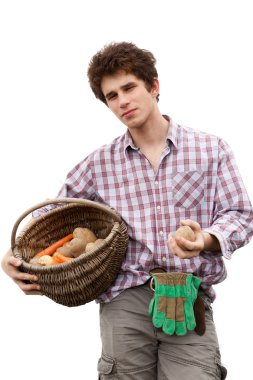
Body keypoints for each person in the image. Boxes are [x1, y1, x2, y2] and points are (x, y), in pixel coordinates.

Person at [2, 42, 253, 379]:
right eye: (112, 96)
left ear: (154, 86)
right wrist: (16, 254)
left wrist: (206, 239)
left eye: (129, 87)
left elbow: (240, 214)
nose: (123, 101)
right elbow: (53, 215)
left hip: (189, 297)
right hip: (125, 299)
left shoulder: (209, 149)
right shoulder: (98, 164)